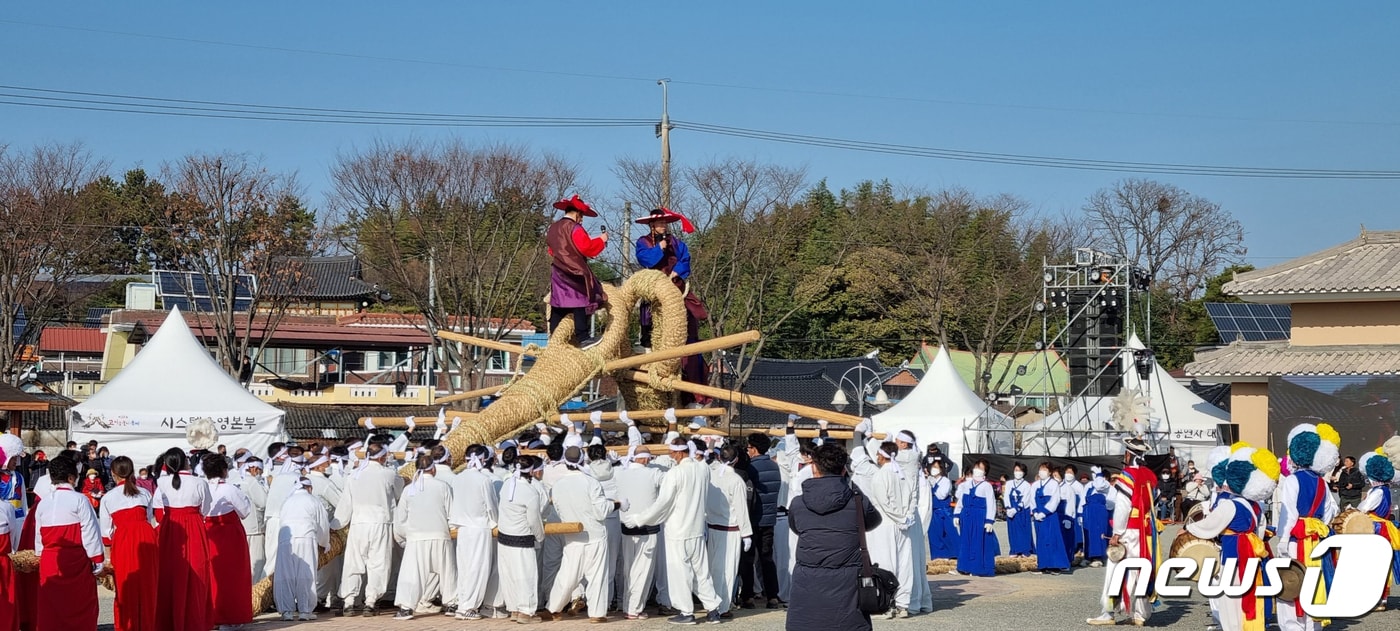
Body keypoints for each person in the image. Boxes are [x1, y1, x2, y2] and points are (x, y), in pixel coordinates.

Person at [622, 439, 724, 625]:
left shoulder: (675, 473)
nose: (670, 455)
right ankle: (712, 610)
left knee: (680, 573)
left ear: (679, 453)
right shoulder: (703, 469)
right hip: (697, 529)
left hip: (678, 531)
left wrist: (638, 519)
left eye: (671, 452)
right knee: (702, 572)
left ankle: (686, 612)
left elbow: (662, 504)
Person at [786, 442, 882, 631]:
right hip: (848, 577)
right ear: (844, 469)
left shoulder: (798, 503)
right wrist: (852, 487)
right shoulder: (857, 500)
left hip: (808, 576)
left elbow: (797, 528)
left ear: (813, 467)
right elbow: (872, 521)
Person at [1186, 444, 1279, 631]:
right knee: (1249, 589)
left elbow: (1209, 526)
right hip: (1252, 550)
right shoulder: (1254, 505)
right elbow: (1260, 530)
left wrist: (1188, 528)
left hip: (1233, 550)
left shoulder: (1229, 505)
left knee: (1230, 595)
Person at [633, 206, 710, 400]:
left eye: (664, 223)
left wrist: (677, 271)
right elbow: (646, 261)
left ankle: (694, 391)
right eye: (659, 223)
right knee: (651, 327)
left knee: (689, 327)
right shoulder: (643, 242)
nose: (662, 226)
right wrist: (659, 250)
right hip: (655, 291)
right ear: (652, 225)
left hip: (676, 288)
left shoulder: (677, 242)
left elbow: (685, 259)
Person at [1274, 423, 1341, 631]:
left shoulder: (1293, 480)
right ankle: (1313, 625)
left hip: (1298, 538)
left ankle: (1293, 626)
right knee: (1315, 582)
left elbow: (1289, 513)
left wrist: (1282, 539)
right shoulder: (1322, 482)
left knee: (1291, 583)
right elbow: (1332, 510)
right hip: (1316, 536)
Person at [1088, 438, 1159, 627]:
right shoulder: (1149, 476)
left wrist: (1117, 532)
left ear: (1128, 454)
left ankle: (1108, 612)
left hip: (1128, 530)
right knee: (1140, 569)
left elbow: (1122, 507)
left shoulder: (1127, 476)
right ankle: (1140, 614)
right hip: (1144, 532)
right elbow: (1155, 501)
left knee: (1116, 569)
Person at [544, 446, 616, 623]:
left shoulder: (558, 486)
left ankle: (553, 609)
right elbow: (601, 512)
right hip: (595, 535)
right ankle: (597, 613)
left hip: (572, 536)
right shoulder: (591, 482)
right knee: (597, 576)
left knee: (567, 575)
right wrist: (616, 504)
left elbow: (559, 510)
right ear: (583, 460)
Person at [34, 455, 104, 631]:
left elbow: (39, 540)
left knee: (51, 609)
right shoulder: (80, 499)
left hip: (50, 562)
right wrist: (97, 559)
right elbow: (90, 532)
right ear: (71, 477)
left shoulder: (43, 504)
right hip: (76, 561)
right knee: (80, 606)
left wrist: (40, 557)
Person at [336, 443, 402, 616]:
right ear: (382, 457)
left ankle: (349, 601)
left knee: (353, 563)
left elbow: (345, 504)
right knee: (378, 564)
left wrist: (336, 525)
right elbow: (399, 491)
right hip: (380, 523)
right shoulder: (388, 474)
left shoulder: (354, 475)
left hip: (358, 524)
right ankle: (371, 602)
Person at [152, 447, 214, 631]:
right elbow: (207, 507)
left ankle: (169, 621)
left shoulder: (162, 483)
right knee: (198, 572)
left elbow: (157, 510)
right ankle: (195, 620)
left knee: (169, 573)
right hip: (194, 526)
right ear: (185, 461)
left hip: (170, 526)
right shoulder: (199, 482)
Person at [852, 439, 913, 617]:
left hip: (886, 523)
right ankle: (903, 603)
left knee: (887, 563)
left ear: (882, 456)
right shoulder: (902, 474)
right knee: (904, 563)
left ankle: (889, 602)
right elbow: (910, 498)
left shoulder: (881, 475)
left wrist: (899, 517)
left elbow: (882, 502)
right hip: (903, 525)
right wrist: (906, 517)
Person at [391, 454, 456, 621]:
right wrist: (452, 530)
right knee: (447, 571)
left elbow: (400, 519)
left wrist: (405, 536)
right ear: (433, 469)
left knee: (412, 573)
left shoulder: (408, 489)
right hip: (440, 534)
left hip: (416, 537)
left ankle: (406, 608)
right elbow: (452, 513)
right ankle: (451, 604)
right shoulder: (443, 486)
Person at [97, 456, 157, 631]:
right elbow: (149, 518)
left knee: (125, 586)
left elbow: (106, 532)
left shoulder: (108, 498)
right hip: (146, 536)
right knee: (148, 586)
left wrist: (108, 558)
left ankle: (126, 625)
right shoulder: (145, 493)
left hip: (123, 539)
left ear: (113, 473)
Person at [449, 444, 504, 621]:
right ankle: (468, 607)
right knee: (477, 569)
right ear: (483, 459)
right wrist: (496, 522)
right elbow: (491, 506)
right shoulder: (483, 480)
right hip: (479, 528)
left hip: (463, 529)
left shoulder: (457, 478)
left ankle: (463, 604)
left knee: (465, 568)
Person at [545, 194, 608, 346]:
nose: (582, 219)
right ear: (577, 213)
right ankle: (583, 338)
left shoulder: (553, 228)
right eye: (582, 215)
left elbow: (551, 251)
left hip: (558, 270)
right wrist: (601, 240)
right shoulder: (575, 228)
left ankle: (554, 338)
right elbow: (586, 247)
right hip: (574, 271)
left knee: (559, 303)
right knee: (579, 301)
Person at [204, 453, 254, 631]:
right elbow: (245, 510)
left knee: (211, 576)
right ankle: (231, 617)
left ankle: (211, 615)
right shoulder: (230, 489)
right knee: (233, 576)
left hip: (208, 534)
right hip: (229, 535)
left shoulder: (202, 487)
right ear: (224, 470)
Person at [615, 446, 665, 620]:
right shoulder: (654, 474)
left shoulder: (619, 473)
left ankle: (628, 604)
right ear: (646, 459)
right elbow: (672, 481)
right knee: (642, 570)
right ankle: (634, 608)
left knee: (629, 569)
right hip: (647, 527)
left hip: (625, 527)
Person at [497, 456, 546, 624]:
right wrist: (540, 537)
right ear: (531, 471)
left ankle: (515, 609)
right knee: (526, 576)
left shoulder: (506, 485)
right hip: (522, 538)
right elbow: (534, 520)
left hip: (504, 537)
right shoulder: (530, 492)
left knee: (509, 575)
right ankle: (525, 611)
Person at [706, 445, 753, 618]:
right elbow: (741, 509)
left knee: (713, 568)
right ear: (737, 460)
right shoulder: (736, 481)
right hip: (730, 529)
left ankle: (712, 603)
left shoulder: (711, 475)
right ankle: (722, 607)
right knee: (727, 569)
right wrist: (746, 534)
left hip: (712, 527)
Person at [275, 476, 330, 621]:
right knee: (306, 574)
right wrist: (325, 543)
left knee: (286, 575)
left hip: (286, 540)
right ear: (309, 488)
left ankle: (286, 611)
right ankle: (305, 610)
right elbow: (323, 525)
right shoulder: (314, 500)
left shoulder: (287, 501)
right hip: (306, 538)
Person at [741, 431, 782, 610]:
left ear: (754, 449)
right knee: (767, 558)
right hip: (769, 518)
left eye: (748, 447)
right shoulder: (775, 466)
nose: (747, 451)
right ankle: (772, 596)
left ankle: (748, 596)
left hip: (752, 519)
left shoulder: (750, 468)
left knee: (748, 560)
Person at [1356, 451, 1400, 611]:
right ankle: (1381, 598)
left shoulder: (1378, 491)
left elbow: (1364, 508)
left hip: (1375, 528)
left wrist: (1355, 508)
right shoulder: (1385, 490)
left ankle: (1377, 598)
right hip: (1383, 528)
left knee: (1373, 563)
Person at [954, 459, 999, 578]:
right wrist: (957, 514)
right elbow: (960, 501)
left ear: (985, 472)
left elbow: (991, 503)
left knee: (978, 541)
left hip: (979, 516)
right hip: (966, 515)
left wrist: (989, 520)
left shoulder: (986, 486)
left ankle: (979, 568)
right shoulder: (966, 484)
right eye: (976, 467)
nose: (977, 470)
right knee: (965, 541)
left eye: (981, 468)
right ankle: (964, 567)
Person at [0, 436, 24, 631]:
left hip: (16, 520)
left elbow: (22, 502)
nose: (16, 462)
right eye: (13, 457)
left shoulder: (19, 477)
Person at [232, 456, 268, 583]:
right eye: (260, 470)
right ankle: (253, 594)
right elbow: (263, 502)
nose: (261, 474)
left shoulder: (234, 480)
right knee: (257, 563)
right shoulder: (251, 481)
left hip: (239, 528)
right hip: (254, 530)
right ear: (254, 469)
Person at [1030, 463, 1068, 574]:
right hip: (1038, 516)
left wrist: (1045, 512)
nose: (1042, 471)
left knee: (1052, 539)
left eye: (1044, 469)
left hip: (1050, 516)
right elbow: (1032, 499)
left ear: (1049, 472)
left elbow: (1055, 500)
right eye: (1040, 469)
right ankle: (1042, 564)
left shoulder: (1053, 484)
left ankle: (1055, 565)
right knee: (1041, 540)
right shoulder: (1035, 484)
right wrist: (1035, 512)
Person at [1081, 467, 1112, 568]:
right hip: (1088, 509)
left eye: (1096, 474)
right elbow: (1083, 497)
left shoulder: (1105, 484)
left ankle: (1098, 557)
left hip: (1099, 510)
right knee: (1088, 534)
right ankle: (1088, 556)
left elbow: (1099, 486)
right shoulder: (1089, 485)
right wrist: (1080, 513)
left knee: (1098, 533)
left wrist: (1099, 475)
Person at [1002, 462, 1032, 558]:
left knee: (1023, 530)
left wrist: (1017, 508)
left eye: (1019, 471)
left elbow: (1026, 498)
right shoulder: (1009, 483)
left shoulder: (1026, 485)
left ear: (1023, 472)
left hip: (1021, 510)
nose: (1017, 472)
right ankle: (1014, 549)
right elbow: (1006, 495)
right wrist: (1008, 507)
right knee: (1012, 530)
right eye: (1016, 470)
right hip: (1011, 508)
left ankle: (1025, 549)